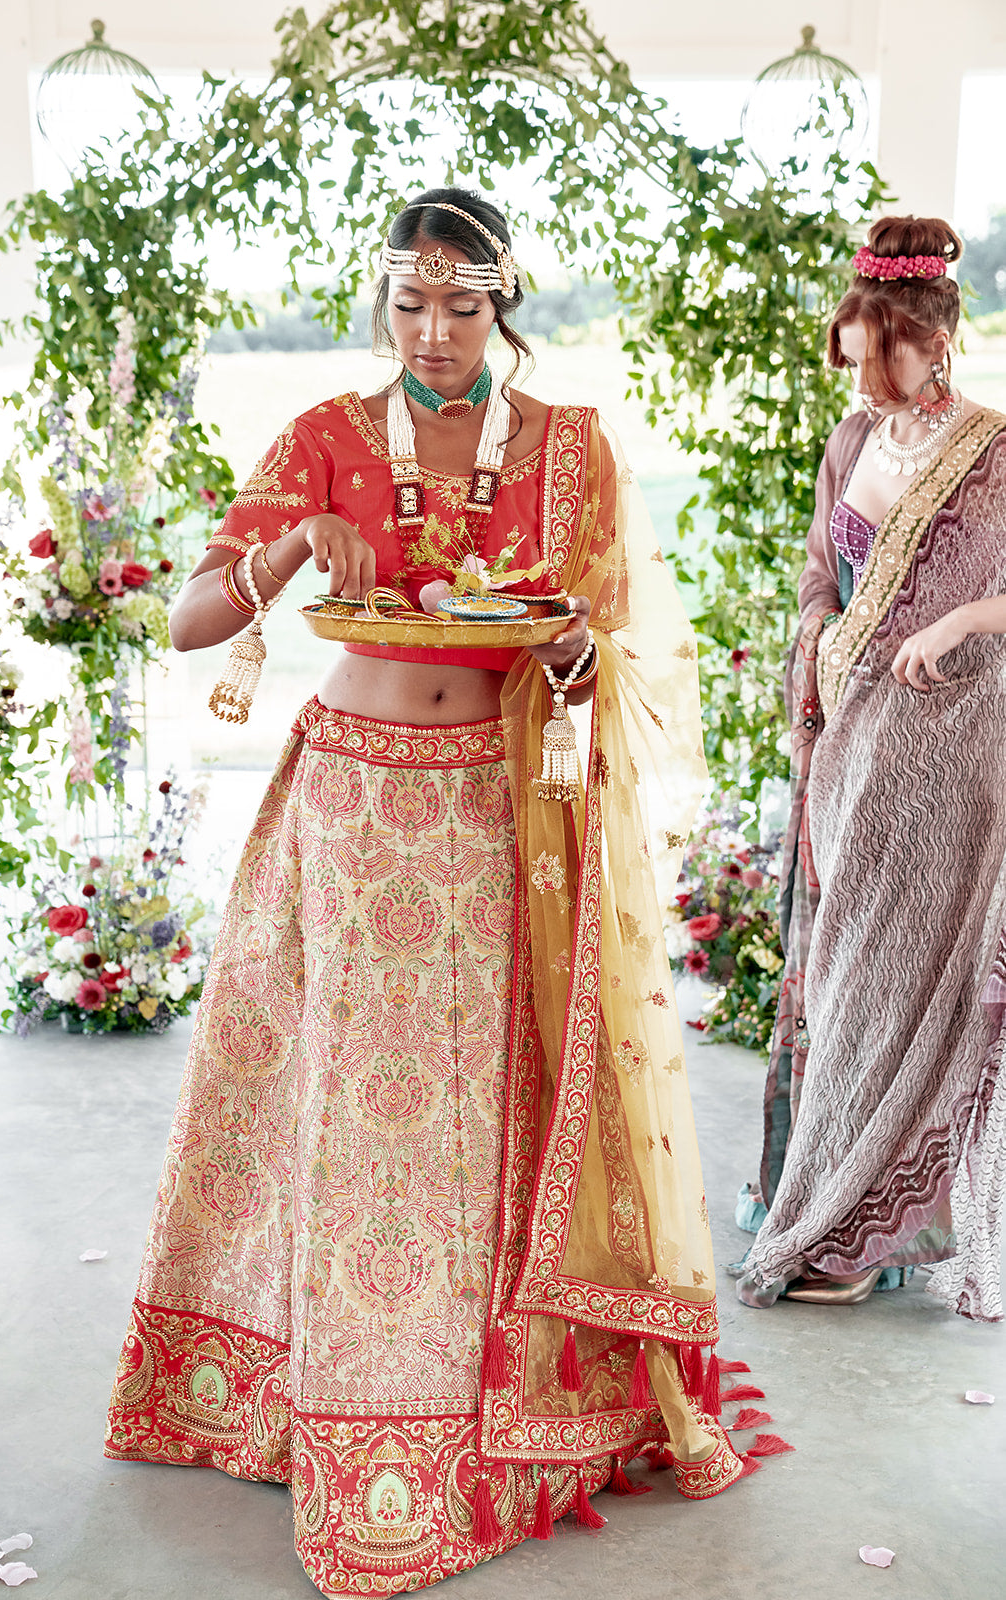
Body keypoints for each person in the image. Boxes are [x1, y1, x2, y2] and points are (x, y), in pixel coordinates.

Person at [105, 187, 746, 1595]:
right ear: (381, 301)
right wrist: (282, 553)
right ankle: (323, 1384)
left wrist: (570, 647)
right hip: (347, 800)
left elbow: (602, 665)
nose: (435, 333)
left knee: (483, 1101)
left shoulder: (568, 452)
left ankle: (476, 1396)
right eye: (409, 304)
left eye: (462, 306)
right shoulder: (326, 438)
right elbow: (191, 617)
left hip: (492, 808)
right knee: (344, 1101)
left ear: (502, 302)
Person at [734, 216, 1006, 1319]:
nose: (860, 377)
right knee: (838, 974)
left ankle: (860, 1230)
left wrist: (953, 626)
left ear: (928, 339)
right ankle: (817, 1192)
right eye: (848, 357)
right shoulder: (849, 445)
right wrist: (815, 646)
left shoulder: (990, 449)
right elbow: (816, 578)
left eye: (874, 354)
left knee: (901, 981)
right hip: (845, 743)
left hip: (949, 751)